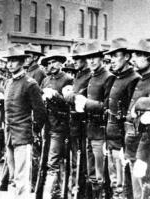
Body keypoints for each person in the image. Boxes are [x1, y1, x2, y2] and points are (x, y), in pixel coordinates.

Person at [3, 46, 46, 198]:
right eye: (8, 61)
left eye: (14, 61)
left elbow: (40, 112)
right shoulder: (8, 83)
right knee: (13, 174)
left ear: (22, 62)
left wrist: (33, 131)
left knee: (22, 175)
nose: (10, 64)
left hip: (22, 134)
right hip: (9, 133)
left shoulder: (30, 83)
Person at [74, 41, 115, 197]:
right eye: (88, 58)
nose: (91, 61)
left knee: (100, 174)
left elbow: (107, 106)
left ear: (101, 59)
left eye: (94, 58)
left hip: (101, 131)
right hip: (89, 131)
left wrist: (86, 103)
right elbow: (80, 95)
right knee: (92, 173)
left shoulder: (108, 77)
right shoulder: (92, 76)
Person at [104, 38, 141, 198]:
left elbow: (129, 115)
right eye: (110, 56)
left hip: (122, 140)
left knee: (122, 185)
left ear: (126, 57)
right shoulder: (115, 78)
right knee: (114, 183)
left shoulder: (133, 79)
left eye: (115, 55)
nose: (112, 59)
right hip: (111, 138)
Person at [40, 50, 73, 198]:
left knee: (54, 161)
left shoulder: (68, 79)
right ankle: (54, 191)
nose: (51, 65)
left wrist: (55, 96)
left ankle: (50, 193)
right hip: (46, 124)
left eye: (54, 62)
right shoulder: (45, 80)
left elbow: (69, 104)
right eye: (49, 63)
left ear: (61, 63)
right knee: (45, 158)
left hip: (59, 125)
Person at [124, 39, 150, 199]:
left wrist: (141, 103)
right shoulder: (141, 80)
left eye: (139, 54)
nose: (133, 59)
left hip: (145, 149)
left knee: (144, 191)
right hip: (132, 145)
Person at [64, 42, 93, 198]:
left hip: (83, 124)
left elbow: (78, 97)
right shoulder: (78, 75)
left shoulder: (89, 76)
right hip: (74, 123)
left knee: (82, 163)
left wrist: (70, 95)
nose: (75, 61)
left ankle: (80, 193)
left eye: (78, 58)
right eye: (74, 58)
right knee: (75, 161)